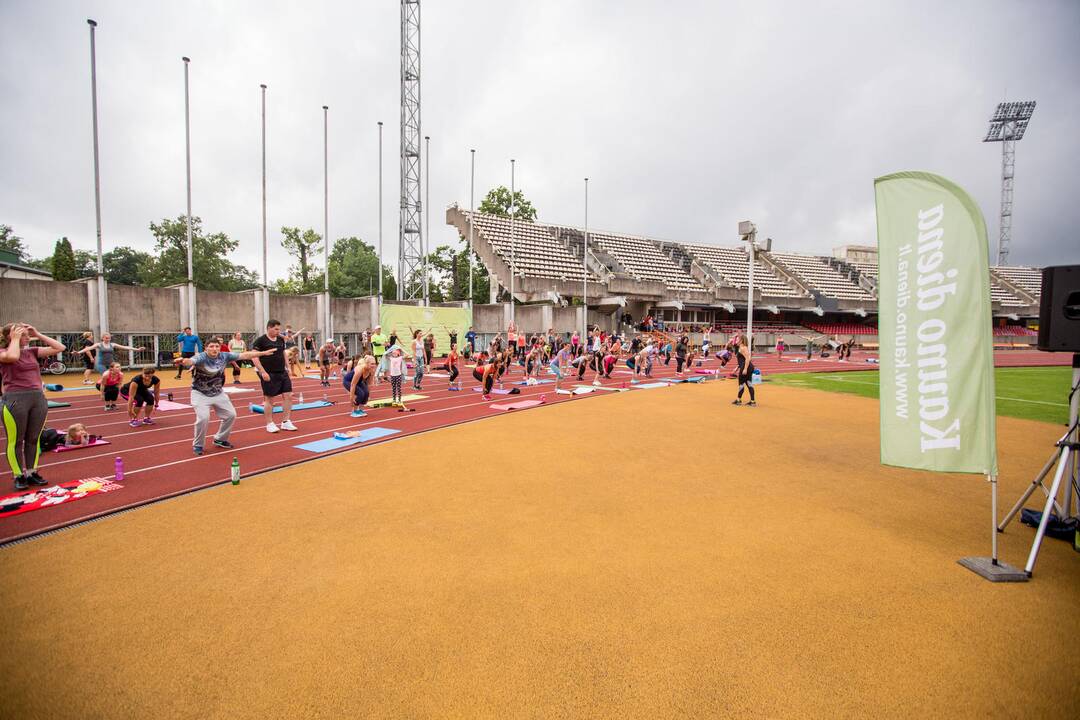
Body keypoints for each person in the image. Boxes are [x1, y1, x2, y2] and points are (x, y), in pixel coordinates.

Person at [176, 336, 276, 454]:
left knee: (230, 415)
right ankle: (198, 445)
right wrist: (184, 361)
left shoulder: (224, 356)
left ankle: (220, 439)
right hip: (200, 393)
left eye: (217, 346)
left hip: (218, 393)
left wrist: (263, 353)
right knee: (203, 418)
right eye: (211, 346)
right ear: (206, 348)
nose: (215, 349)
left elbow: (245, 355)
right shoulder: (201, 357)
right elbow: (190, 361)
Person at [1, 323, 64, 490]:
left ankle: (31, 472)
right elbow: (13, 357)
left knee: (34, 439)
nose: (28, 338)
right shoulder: (4, 353)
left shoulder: (31, 351)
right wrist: (15, 338)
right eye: (24, 335)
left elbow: (60, 347)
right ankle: (18, 475)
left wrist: (38, 333)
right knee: (16, 440)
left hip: (37, 398)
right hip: (15, 399)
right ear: (11, 336)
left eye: (28, 335)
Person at [251, 320, 298, 433]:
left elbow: (283, 353)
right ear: (269, 328)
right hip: (269, 373)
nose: (278, 332)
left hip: (282, 372)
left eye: (279, 329)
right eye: (276, 329)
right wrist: (263, 372)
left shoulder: (281, 339)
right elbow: (254, 357)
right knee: (269, 399)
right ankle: (269, 423)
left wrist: (288, 368)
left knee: (288, 395)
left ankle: (286, 422)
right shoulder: (260, 341)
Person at [732, 338, 757, 407]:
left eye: (737, 340)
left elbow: (748, 358)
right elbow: (741, 360)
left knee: (741, 384)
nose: (736, 341)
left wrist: (745, 369)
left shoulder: (743, 348)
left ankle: (738, 400)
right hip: (746, 367)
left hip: (746, 367)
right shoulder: (741, 348)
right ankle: (752, 401)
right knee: (748, 383)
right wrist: (737, 368)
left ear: (741, 341)